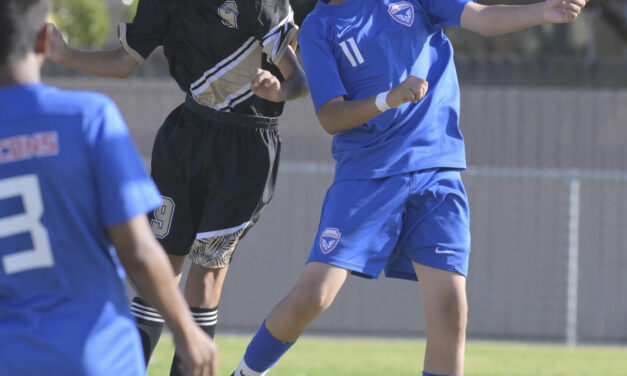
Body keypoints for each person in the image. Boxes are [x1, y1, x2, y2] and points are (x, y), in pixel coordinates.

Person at [229, 0, 589, 375]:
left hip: (437, 171)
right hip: (368, 177)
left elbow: (483, 18)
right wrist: (388, 99)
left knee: (451, 311)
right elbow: (331, 115)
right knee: (314, 296)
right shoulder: (319, 26)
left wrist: (544, 11)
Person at [46, 0, 308, 374]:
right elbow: (125, 61)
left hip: (246, 150)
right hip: (186, 135)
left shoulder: (259, 5)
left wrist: (279, 91)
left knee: (203, 283)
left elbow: (298, 81)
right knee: (156, 278)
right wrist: (63, 53)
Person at [0, 0, 218, 375]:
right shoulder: (88, 119)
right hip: (98, 356)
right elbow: (137, 250)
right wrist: (187, 332)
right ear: (43, 39)